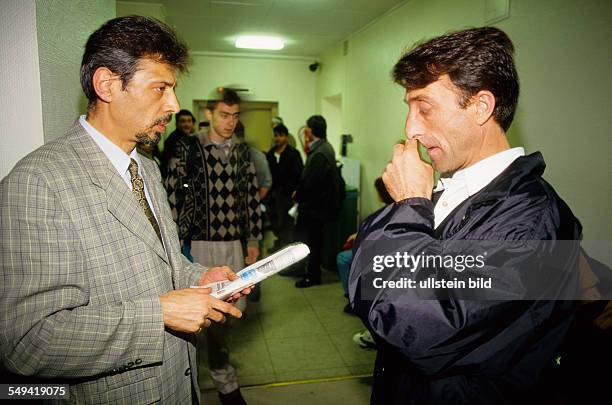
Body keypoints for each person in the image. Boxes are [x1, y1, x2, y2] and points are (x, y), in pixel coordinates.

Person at [0, 16, 248, 404]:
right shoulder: (39, 182)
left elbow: (159, 266)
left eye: (174, 89)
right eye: (160, 88)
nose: (175, 105)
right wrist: (158, 316)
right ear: (107, 85)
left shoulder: (146, 167)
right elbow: (27, 341)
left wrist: (201, 277)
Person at [349, 27, 583, 404]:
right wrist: (408, 206)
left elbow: (414, 325)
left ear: (481, 107)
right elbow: (368, 286)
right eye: (408, 109)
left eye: (424, 108)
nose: (410, 128)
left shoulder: (530, 222)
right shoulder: (447, 191)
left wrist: (409, 206)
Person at [164, 89, 262, 404]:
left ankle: (219, 374)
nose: (230, 122)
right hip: (199, 247)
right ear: (209, 114)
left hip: (233, 244)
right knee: (199, 316)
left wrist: (253, 240)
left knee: (227, 315)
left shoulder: (243, 153)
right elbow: (171, 198)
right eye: (224, 115)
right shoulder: (188, 150)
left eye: (235, 116)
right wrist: (174, 244)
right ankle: (220, 385)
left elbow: (251, 200)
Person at [292, 115, 342, 288]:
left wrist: (298, 194)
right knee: (312, 241)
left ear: (311, 131)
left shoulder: (320, 153)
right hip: (318, 206)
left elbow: (311, 182)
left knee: (312, 242)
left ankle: (312, 276)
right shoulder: (324, 148)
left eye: (307, 129)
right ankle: (301, 270)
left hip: (315, 208)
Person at [266, 123, 303, 252]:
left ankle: (286, 249)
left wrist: (296, 194)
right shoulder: (270, 154)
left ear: (286, 137)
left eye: (281, 135)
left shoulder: (293, 154)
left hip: (287, 195)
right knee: (274, 221)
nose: (278, 138)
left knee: (286, 223)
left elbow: (299, 175)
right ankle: (279, 243)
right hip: (272, 194)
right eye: (276, 135)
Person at [160, 109, 196, 177]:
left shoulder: (191, 138)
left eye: (189, 121)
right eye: (183, 121)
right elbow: (165, 164)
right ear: (177, 124)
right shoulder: (172, 140)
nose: (187, 124)